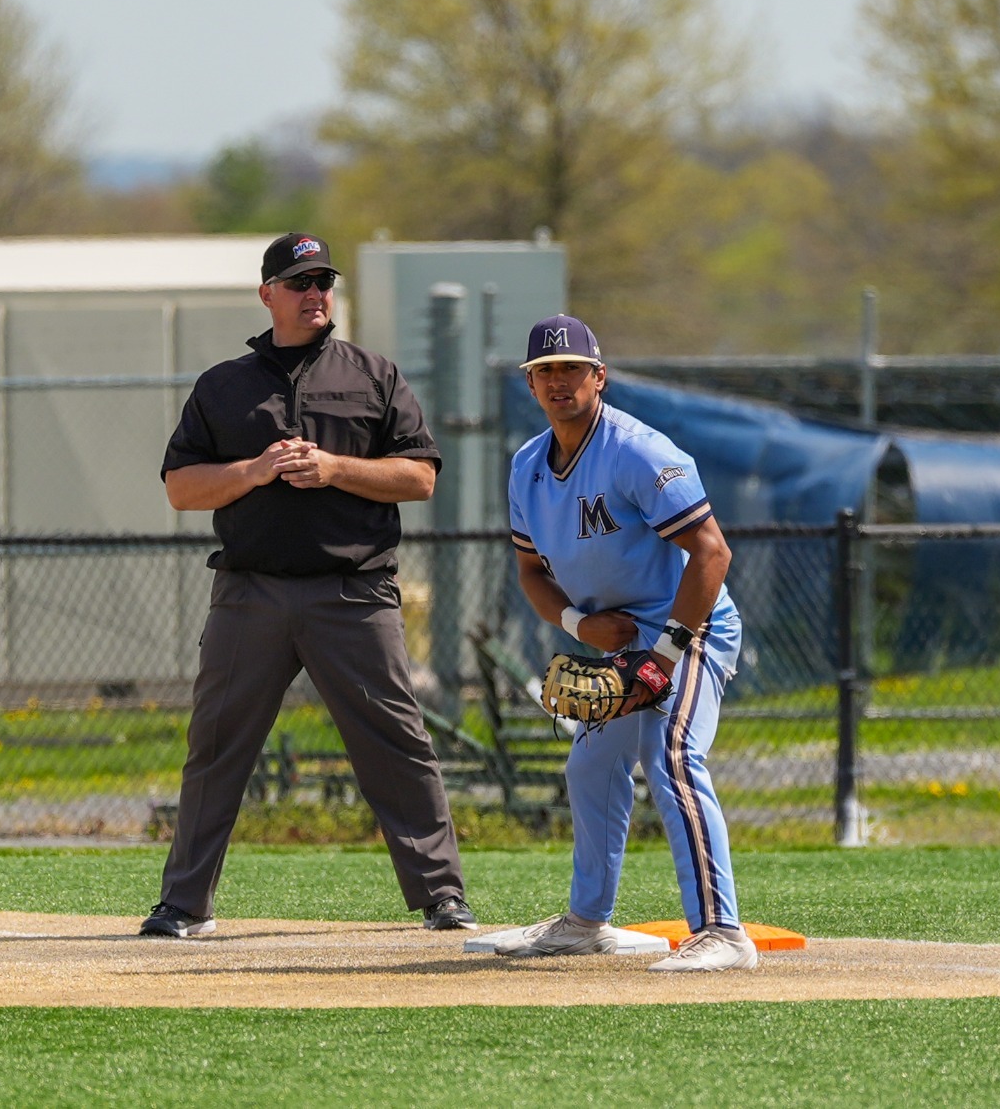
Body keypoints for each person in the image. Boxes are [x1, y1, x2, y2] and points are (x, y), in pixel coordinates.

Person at [144, 232, 474, 936]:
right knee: (217, 747)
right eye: (299, 282)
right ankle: (185, 904)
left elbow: (419, 476)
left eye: (323, 281)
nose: (315, 293)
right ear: (268, 294)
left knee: (396, 744)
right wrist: (255, 470)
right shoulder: (224, 386)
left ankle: (442, 896)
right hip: (250, 594)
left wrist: (333, 468)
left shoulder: (373, 375)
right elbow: (181, 488)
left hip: (353, 594)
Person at [495, 314, 756, 972]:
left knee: (671, 754)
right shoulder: (527, 467)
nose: (559, 380)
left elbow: (712, 552)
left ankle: (723, 932)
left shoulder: (638, 452)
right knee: (589, 767)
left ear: (600, 377)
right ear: (531, 384)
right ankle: (587, 922)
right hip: (620, 641)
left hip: (688, 629)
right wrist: (578, 626)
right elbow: (530, 573)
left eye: (572, 368)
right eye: (545, 370)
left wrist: (663, 656)